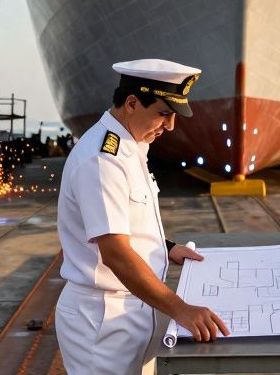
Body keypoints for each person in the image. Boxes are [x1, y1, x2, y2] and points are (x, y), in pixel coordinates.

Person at [55, 59, 229, 374]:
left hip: (136, 308)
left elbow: (122, 220)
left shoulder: (133, 145)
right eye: (163, 114)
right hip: (103, 322)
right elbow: (116, 253)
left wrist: (167, 246)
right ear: (132, 103)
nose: (171, 125)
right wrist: (181, 310)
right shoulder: (102, 160)